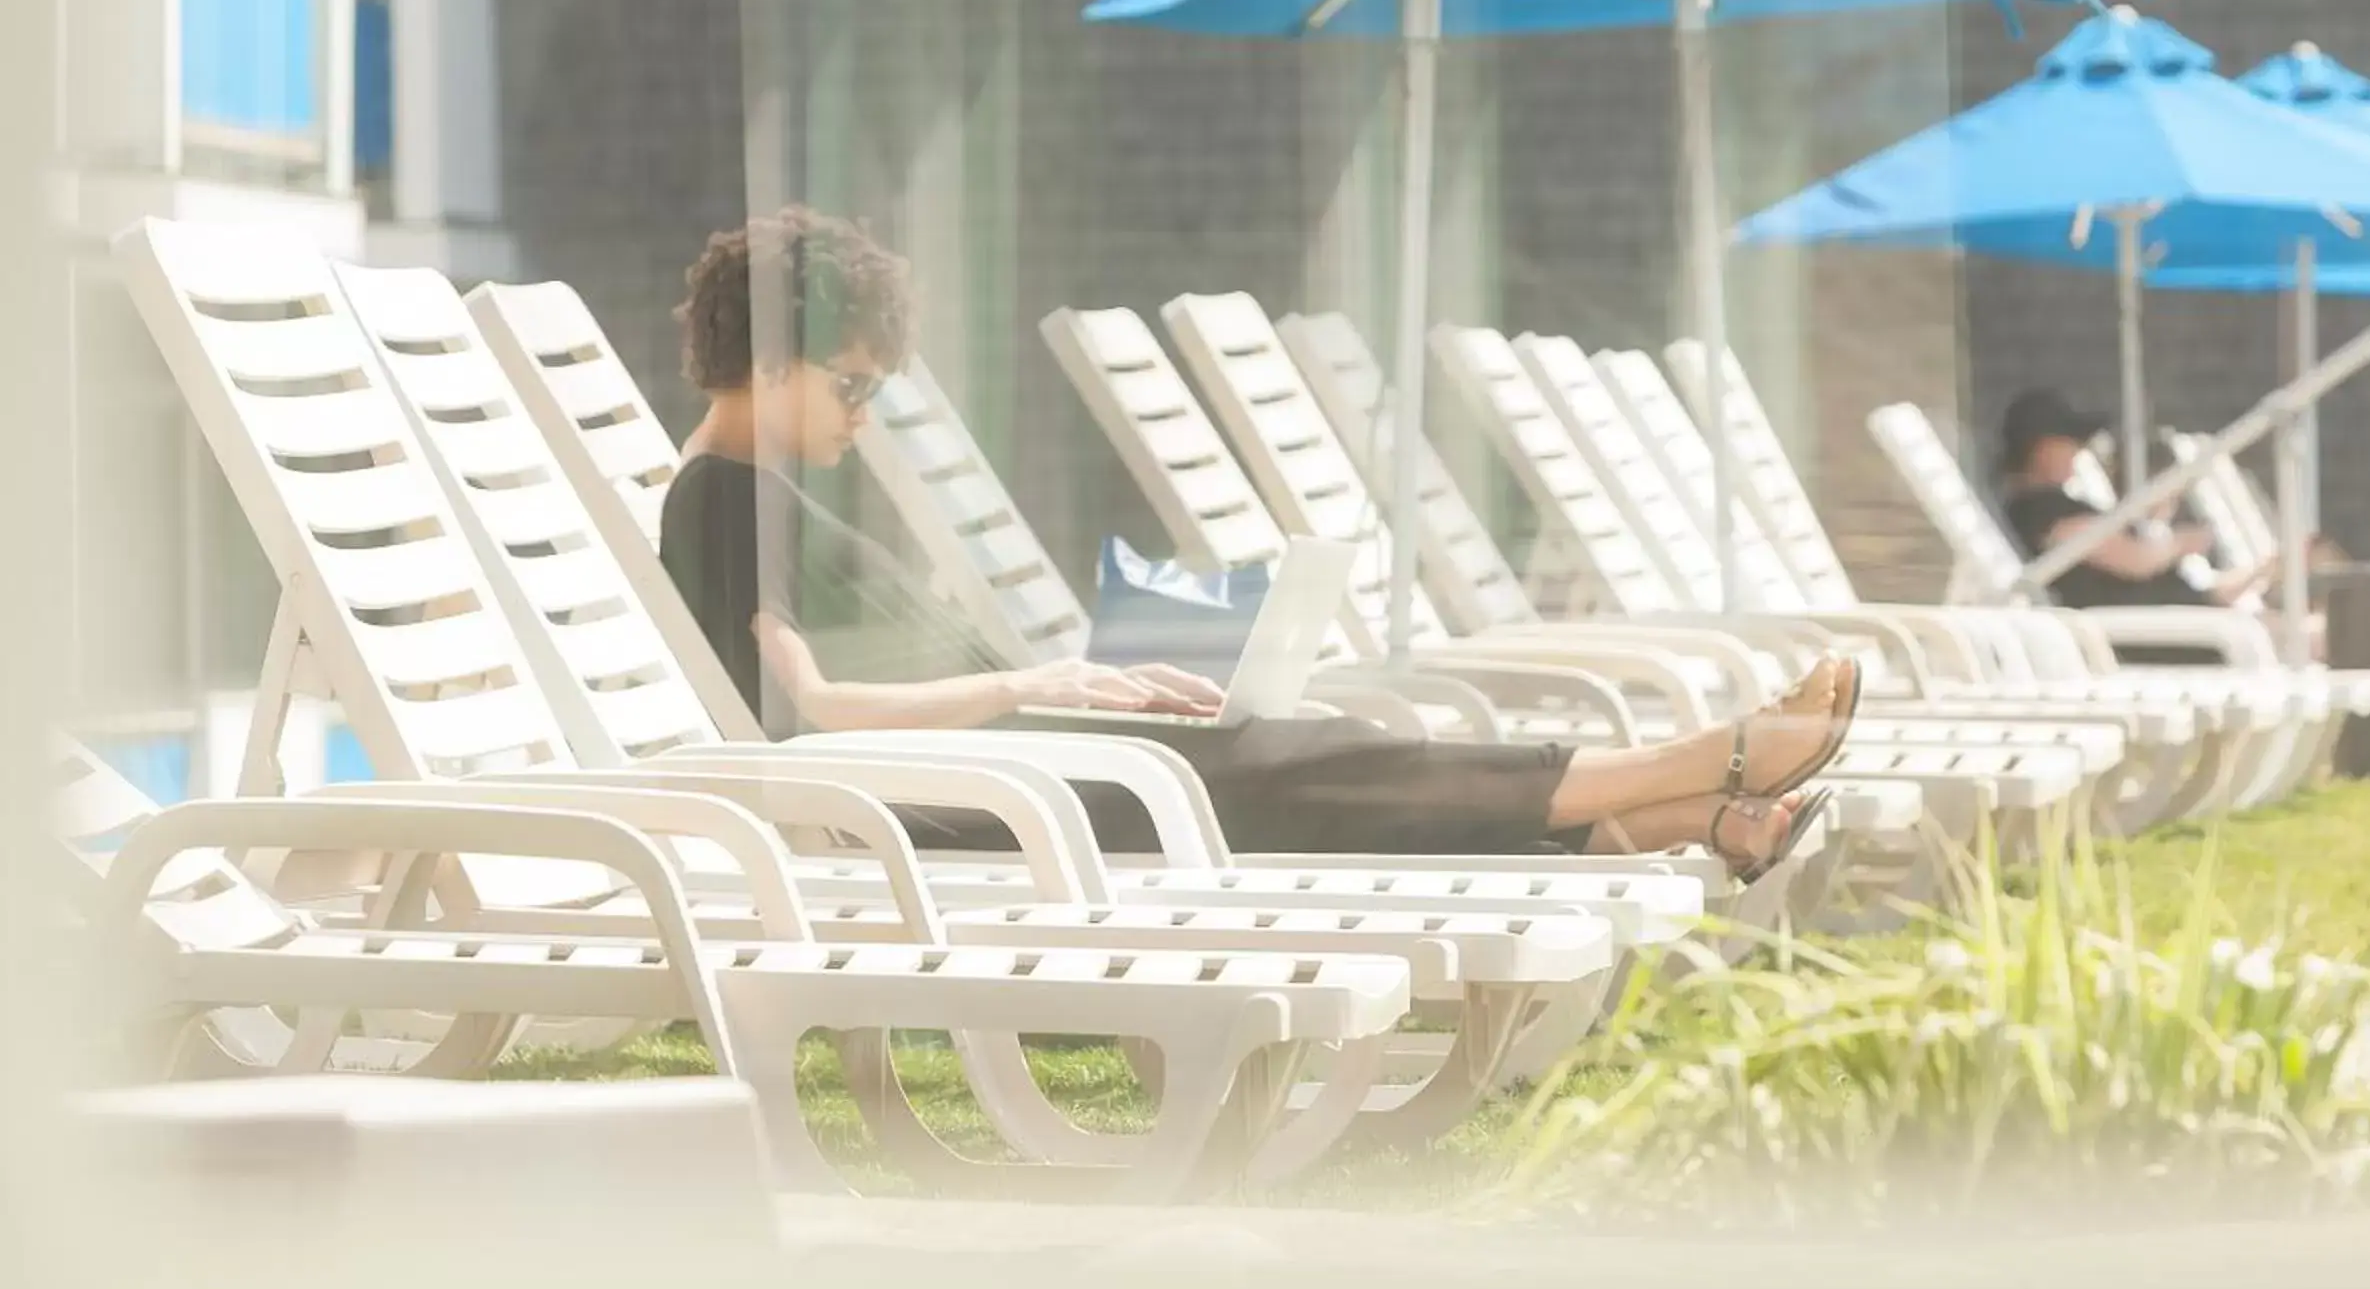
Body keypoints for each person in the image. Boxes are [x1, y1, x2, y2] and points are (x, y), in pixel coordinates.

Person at [654, 207, 1852, 879]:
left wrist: (1088, 675)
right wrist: (1032, 682)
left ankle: (1684, 815)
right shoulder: (718, 498)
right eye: (853, 383)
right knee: (1298, 761)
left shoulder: (769, 496)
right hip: (965, 802)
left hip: (1009, 767)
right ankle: (1699, 762)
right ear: (767, 362)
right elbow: (803, 709)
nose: (864, 414)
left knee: (1321, 752)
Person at [1990, 386, 2370, 672]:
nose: (2079, 451)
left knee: (2329, 631)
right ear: (2042, 446)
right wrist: (2174, 538)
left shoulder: (2069, 506)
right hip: (2161, 639)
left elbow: (2188, 584)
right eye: (2070, 440)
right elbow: (2137, 565)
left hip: (2197, 621)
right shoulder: (2044, 512)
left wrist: (2269, 567)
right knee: (2335, 635)